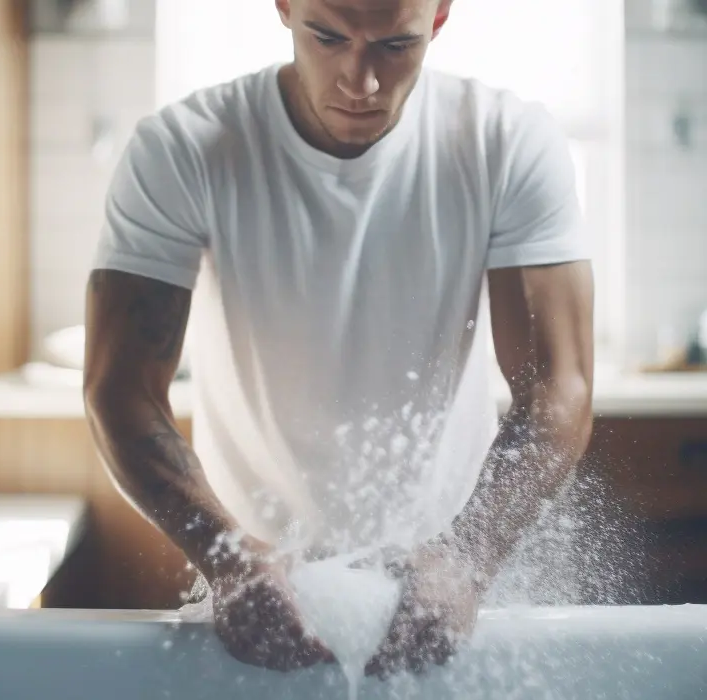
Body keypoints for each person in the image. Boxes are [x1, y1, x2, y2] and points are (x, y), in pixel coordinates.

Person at [83, 0, 594, 679]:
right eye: (328, 37)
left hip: (446, 578)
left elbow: (559, 386)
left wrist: (467, 559)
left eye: (394, 45)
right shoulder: (184, 148)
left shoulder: (507, 141)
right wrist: (229, 555)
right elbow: (118, 390)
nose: (362, 82)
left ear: (439, 17)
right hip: (252, 578)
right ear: (285, 7)